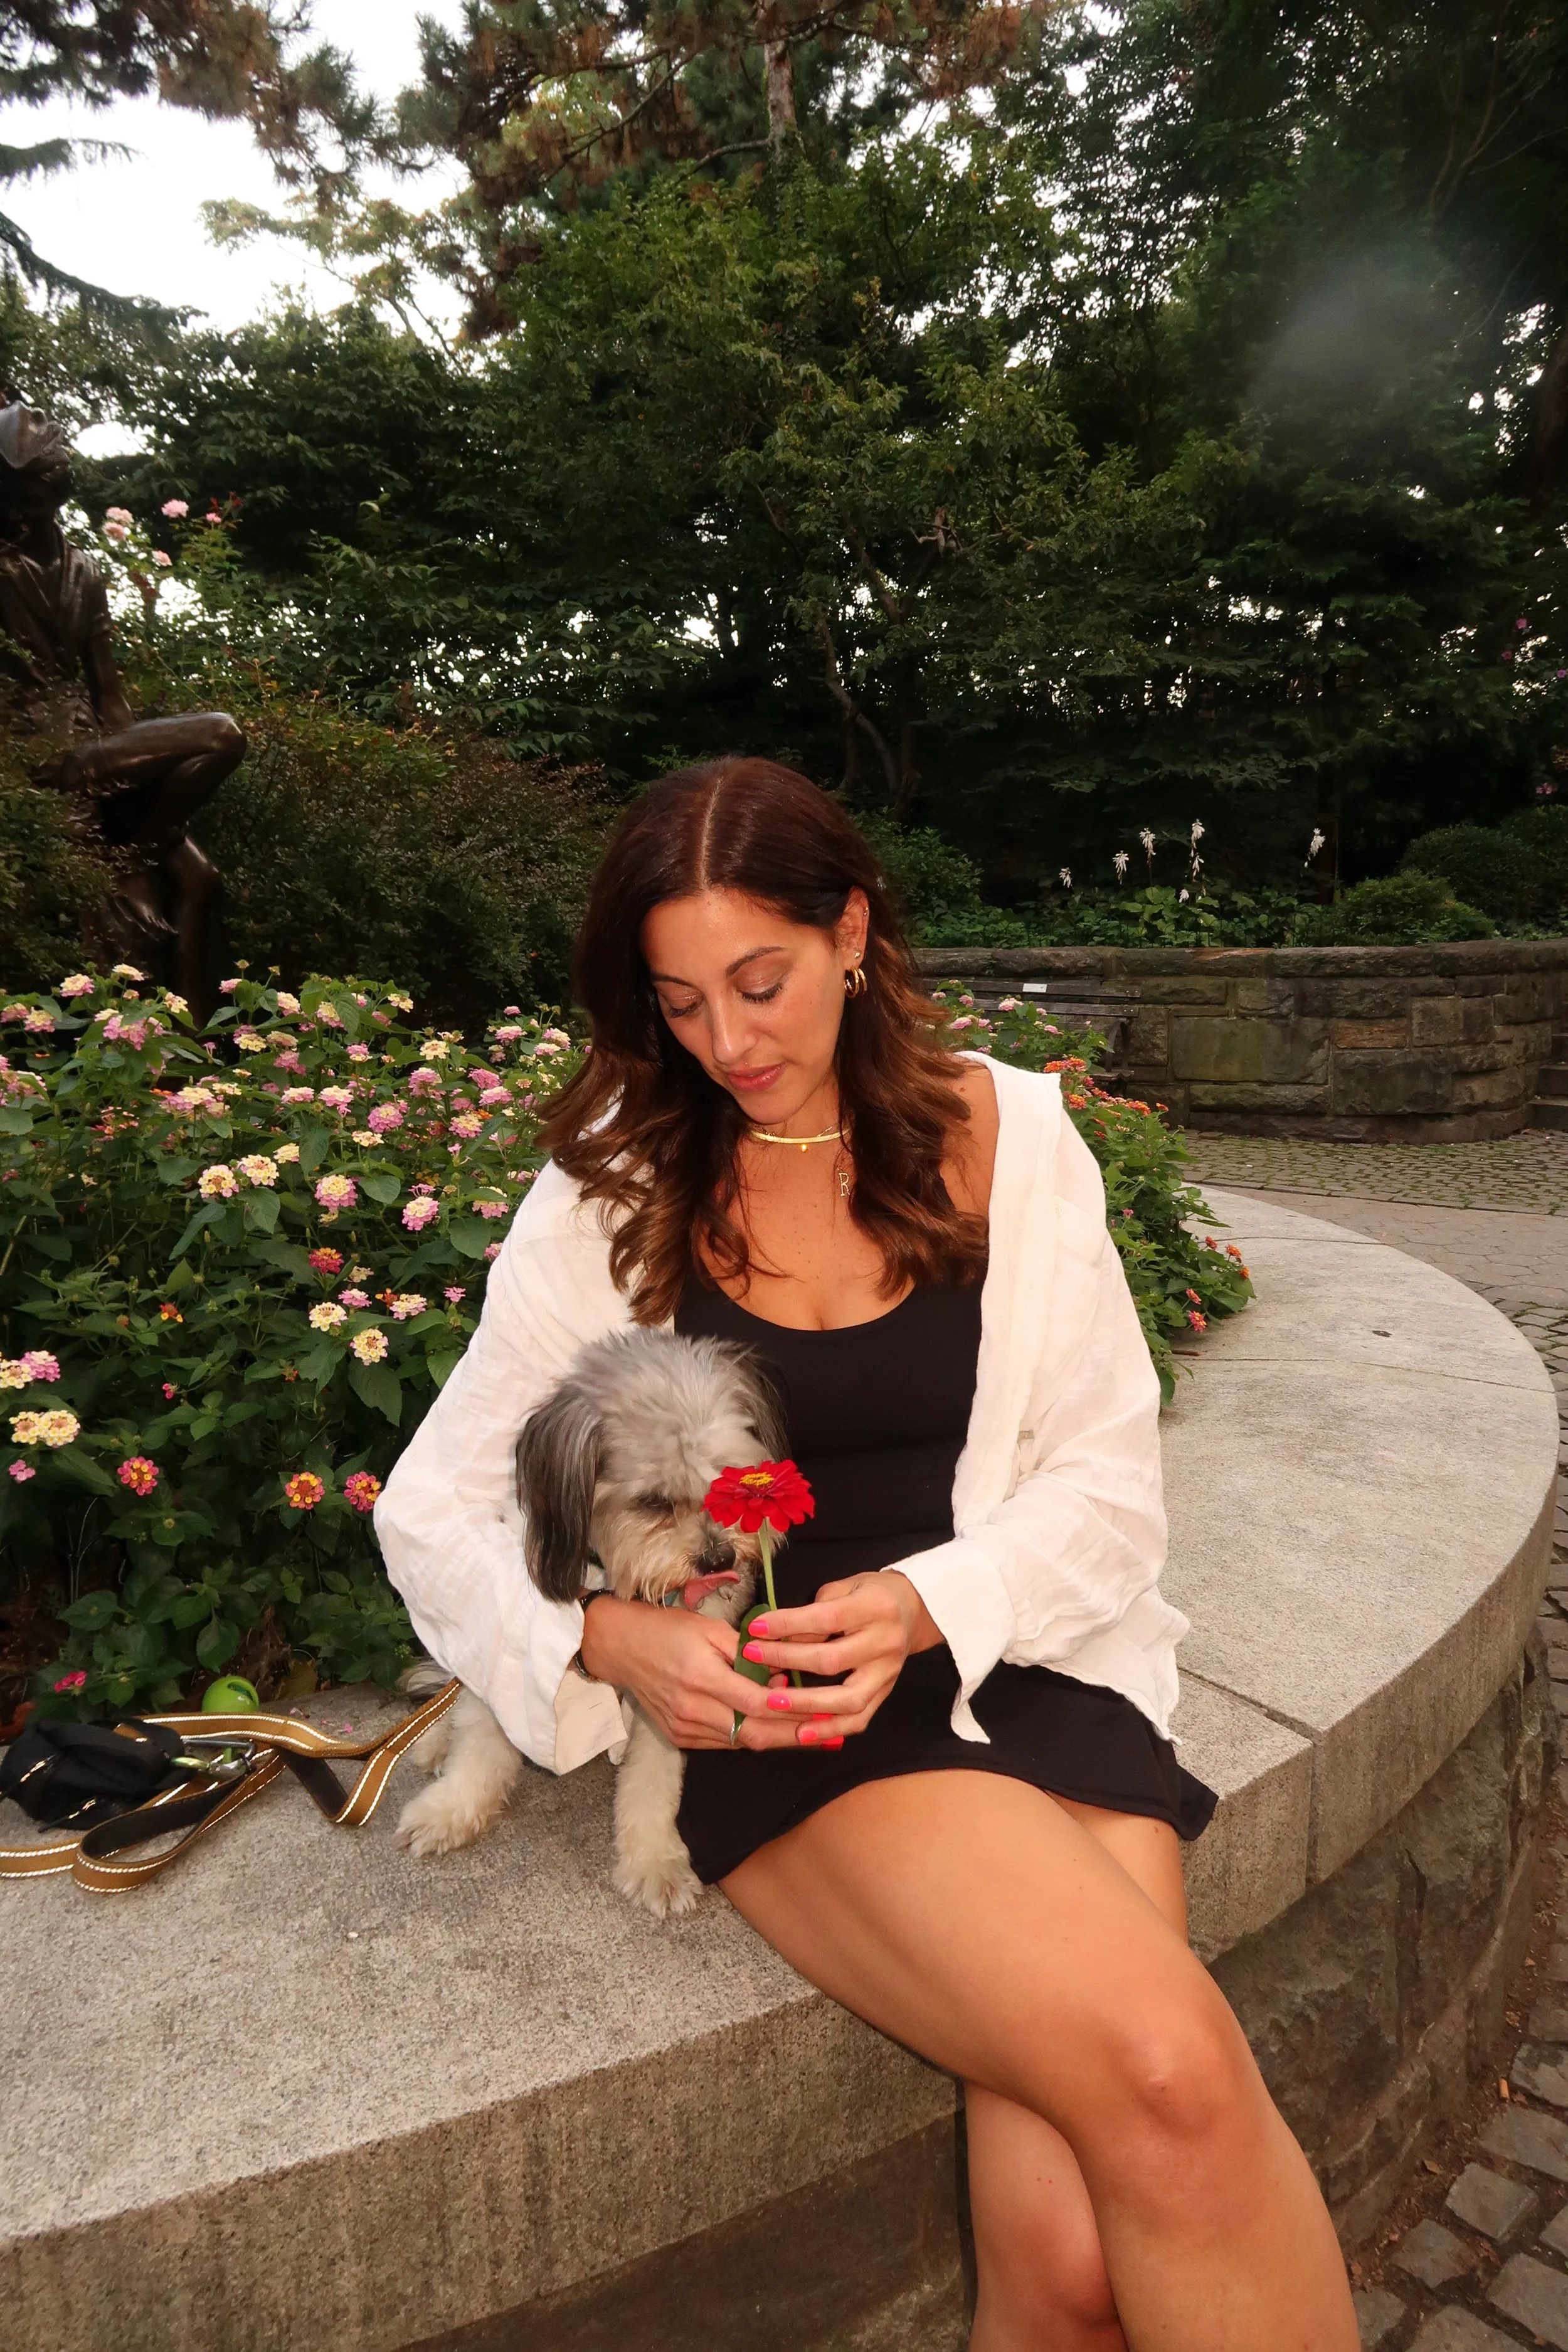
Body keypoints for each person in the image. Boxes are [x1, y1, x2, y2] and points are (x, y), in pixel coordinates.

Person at [377, 756, 1359, 2351]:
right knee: (1171, 2080)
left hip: (1026, 1659)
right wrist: (603, 1645)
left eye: (758, 982)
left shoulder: (1016, 1141)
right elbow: (428, 1507)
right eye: (679, 1002)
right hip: (785, 1710)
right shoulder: (610, 1189)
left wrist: (927, 1601)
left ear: (849, 930)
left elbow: (1107, 1488)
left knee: (1072, 2265)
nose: (727, 1042)